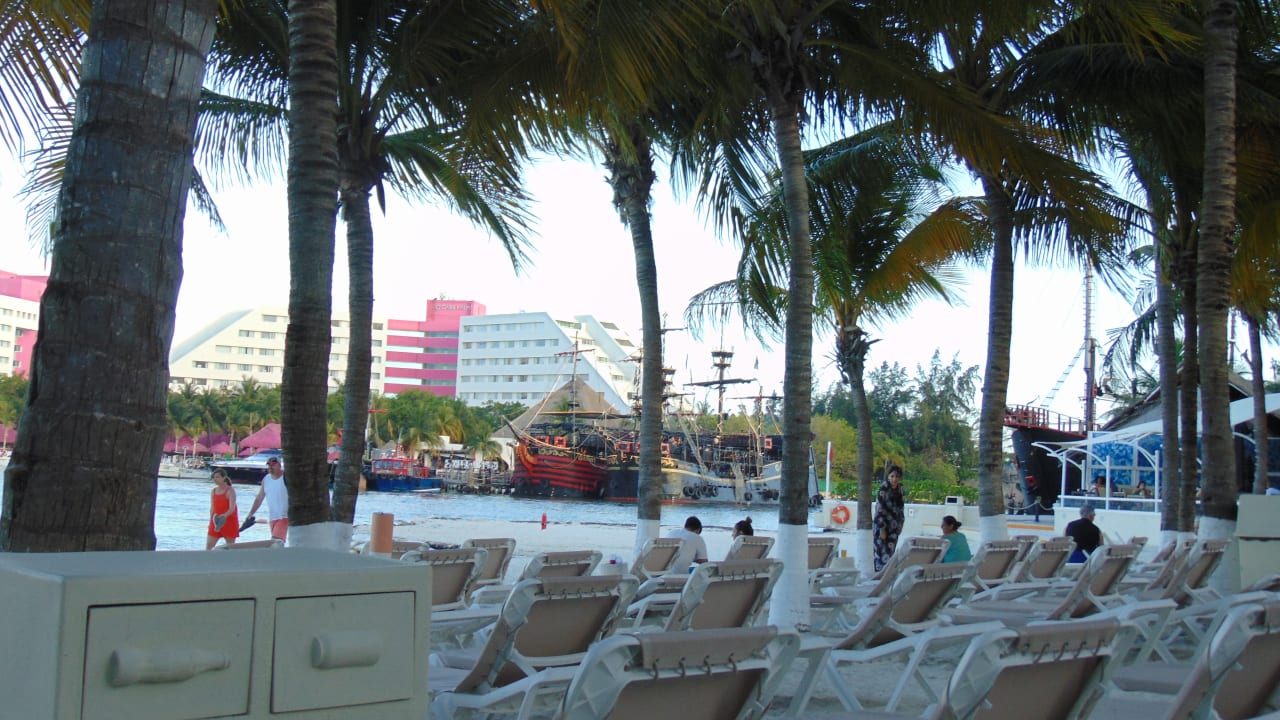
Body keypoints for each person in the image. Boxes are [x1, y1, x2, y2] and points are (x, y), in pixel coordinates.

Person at [246, 455, 288, 541]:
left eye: (273, 465)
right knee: (279, 543)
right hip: (272, 517)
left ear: (279, 465)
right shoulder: (266, 479)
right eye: (269, 465)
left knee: (275, 541)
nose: (270, 467)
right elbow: (259, 498)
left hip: (284, 516)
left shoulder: (286, 477)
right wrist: (251, 513)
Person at [873, 464, 906, 572]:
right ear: (888, 477)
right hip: (882, 525)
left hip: (894, 527)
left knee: (890, 552)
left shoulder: (900, 489)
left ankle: (886, 575)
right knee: (880, 551)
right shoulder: (883, 489)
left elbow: (901, 508)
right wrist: (882, 528)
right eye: (892, 476)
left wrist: (901, 524)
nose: (894, 479)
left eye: (897, 477)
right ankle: (878, 575)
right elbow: (880, 509)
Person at [206, 469, 240, 549]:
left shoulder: (230, 490)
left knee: (230, 547)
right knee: (209, 546)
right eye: (214, 477)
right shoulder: (213, 491)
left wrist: (223, 517)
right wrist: (211, 520)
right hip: (216, 521)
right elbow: (212, 508)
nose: (215, 479)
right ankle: (206, 561)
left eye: (217, 477)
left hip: (229, 521)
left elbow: (232, 508)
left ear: (224, 477)